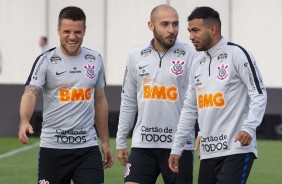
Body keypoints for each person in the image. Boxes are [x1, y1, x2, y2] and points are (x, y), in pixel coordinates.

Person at [169, 6, 267, 184]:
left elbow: (258, 93)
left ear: (212, 29)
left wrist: (249, 127)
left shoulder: (237, 54)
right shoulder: (198, 64)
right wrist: (177, 148)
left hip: (237, 149)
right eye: (190, 31)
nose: (191, 36)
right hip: (208, 152)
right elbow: (190, 109)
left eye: (196, 30)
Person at [18, 6, 114, 184]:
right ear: (58, 30)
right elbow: (30, 93)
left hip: (87, 148)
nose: (72, 36)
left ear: (84, 31)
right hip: (53, 149)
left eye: (77, 31)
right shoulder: (45, 60)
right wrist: (24, 120)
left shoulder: (95, 59)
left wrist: (106, 142)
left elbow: (100, 102)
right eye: (67, 31)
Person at [116, 4, 199, 184]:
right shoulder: (136, 56)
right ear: (151, 25)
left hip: (178, 146)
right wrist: (121, 139)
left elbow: (200, 99)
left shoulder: (191, 55)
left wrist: (204, 131)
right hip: (143, 144)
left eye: (175, 24)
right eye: (165, 24)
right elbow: (129, 100)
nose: (172, 30)